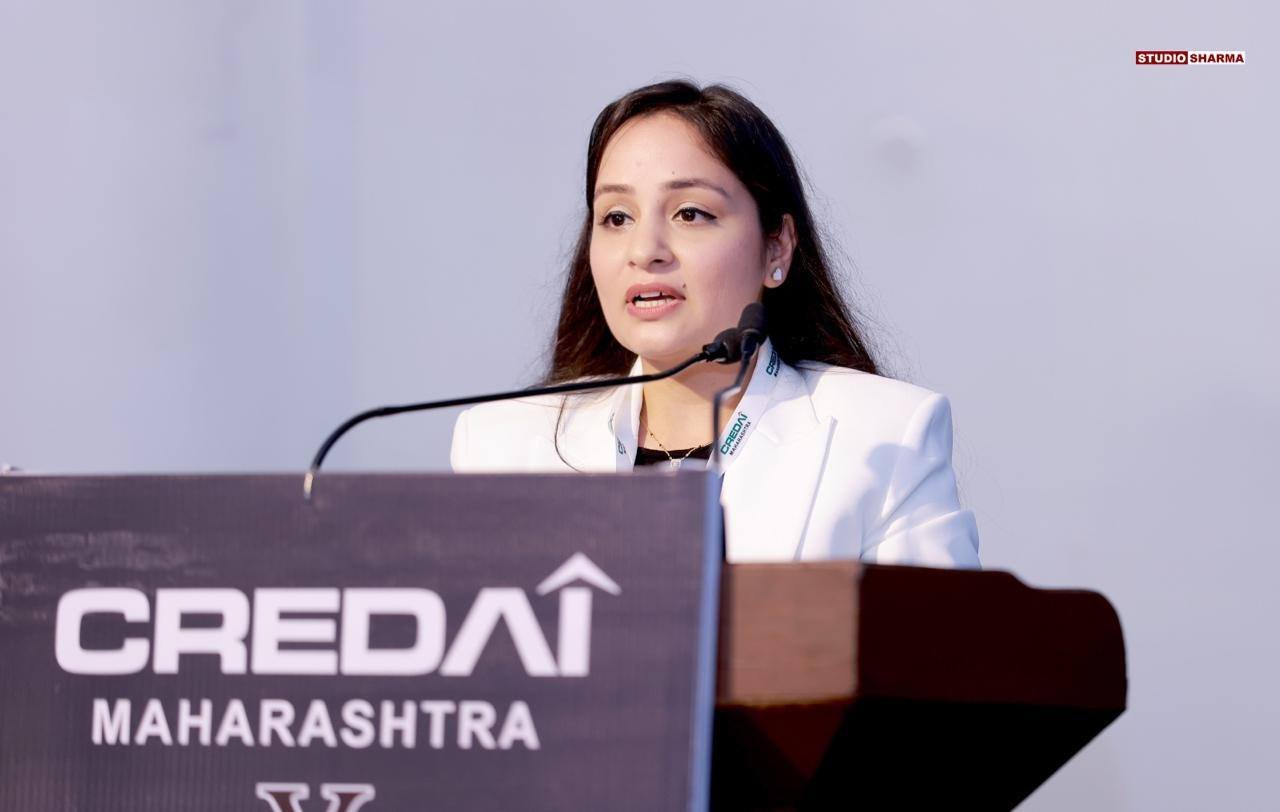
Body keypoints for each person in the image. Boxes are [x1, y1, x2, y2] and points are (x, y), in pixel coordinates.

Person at [450, 80, 980, 568]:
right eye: (616, 217)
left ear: (777, 245)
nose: (645, 251)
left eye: (690, 214)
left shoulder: (883, 438)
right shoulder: (502, 446)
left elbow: (941, 664)